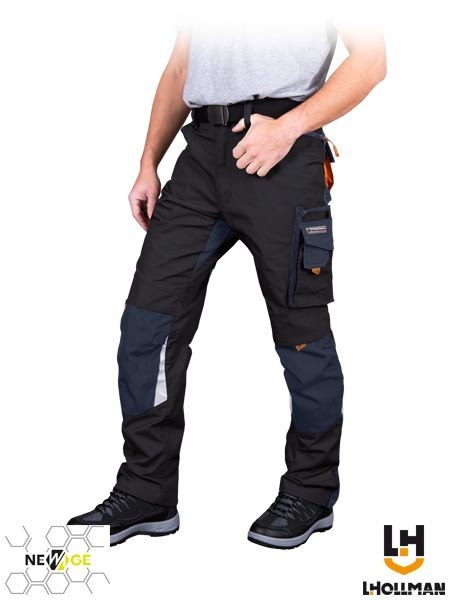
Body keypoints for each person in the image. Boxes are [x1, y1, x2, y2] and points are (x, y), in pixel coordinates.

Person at [68, 16, 386, 549]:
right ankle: (147, 491)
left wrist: (287, 129)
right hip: (200, 159)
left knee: (301, 337)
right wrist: (148, 163)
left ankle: (310, 491)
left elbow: (372, 61)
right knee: (147, 326)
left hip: (284, 152)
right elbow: (181, 68)